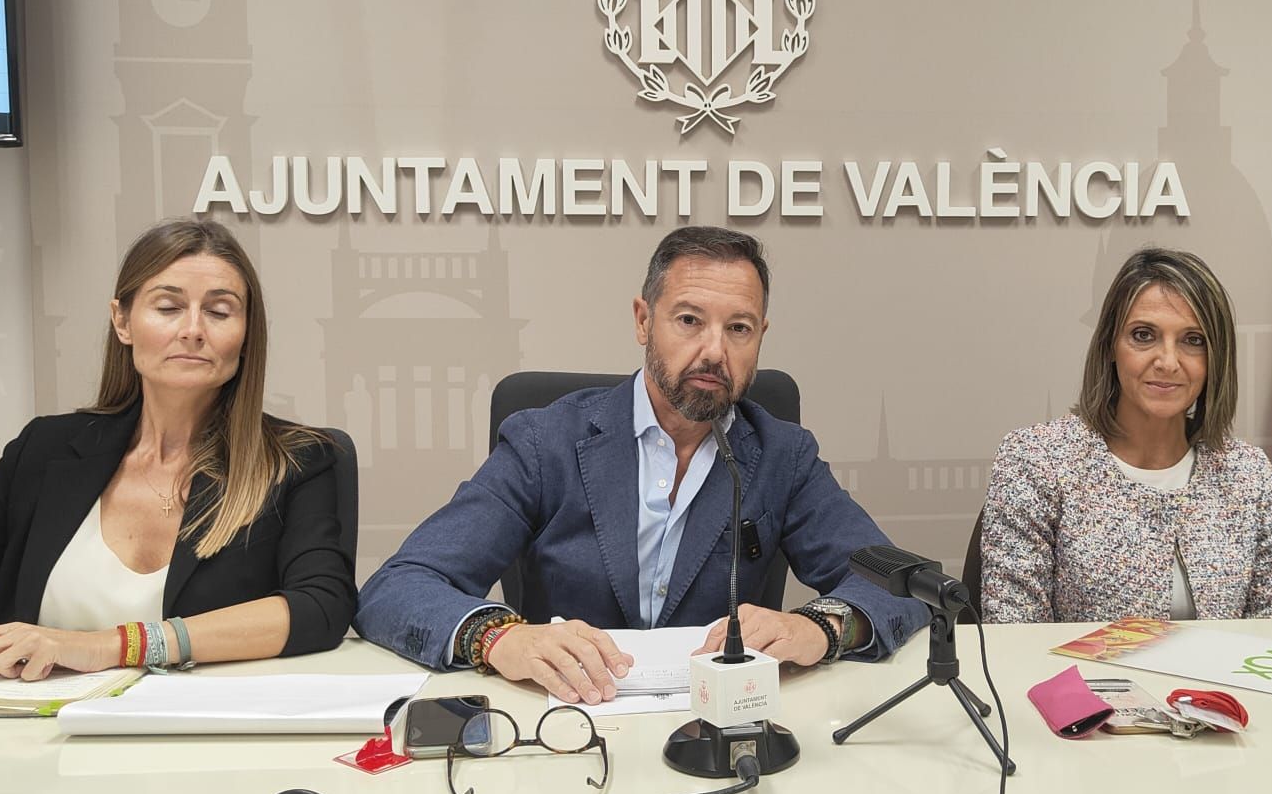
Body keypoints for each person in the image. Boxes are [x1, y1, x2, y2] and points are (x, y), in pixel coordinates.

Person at [356, 226, 926, 700]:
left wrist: (818, 627)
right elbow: (398, 588)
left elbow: (899, 584)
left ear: (761, 337)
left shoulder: (782, 455)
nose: (713, 351)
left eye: (738, 329)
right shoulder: (544, 441)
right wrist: (504, 640)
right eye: (688, 320)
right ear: (642, 320)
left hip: (721, 728)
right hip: (567, 727)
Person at [0, 218, 357, 679]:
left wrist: (111, 646)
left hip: (198, 750)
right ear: (123, 322)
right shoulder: (46, 451)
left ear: (246, 334)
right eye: (168, 307)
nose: (193, 330)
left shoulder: (298, 460)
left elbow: (321, 608)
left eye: (219, 311)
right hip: (27, 744)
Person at [978, 248, 1272, 623]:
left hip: (1222, 683)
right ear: (1111, 347)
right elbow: (1014, 637)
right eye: (1143, 336)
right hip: (1084, 683)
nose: (1167, 361)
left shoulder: (1248, 472)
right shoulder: (1036, 460)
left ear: (1216, 358)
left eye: (1193, 340)